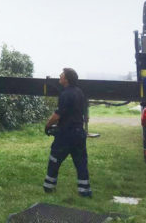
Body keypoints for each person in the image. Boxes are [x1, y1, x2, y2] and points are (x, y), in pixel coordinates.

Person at [43, 67, 91, 197]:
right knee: (81, 162)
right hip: (78, 134)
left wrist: (47, 125)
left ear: (67, 79)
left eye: (62, 75)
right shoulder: (80, 92)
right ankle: (85, 191)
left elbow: (58, 115)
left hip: (65, 134)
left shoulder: (65, 94)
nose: (60, 76)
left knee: (54, 160)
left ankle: (49, 188)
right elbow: (83, 114)